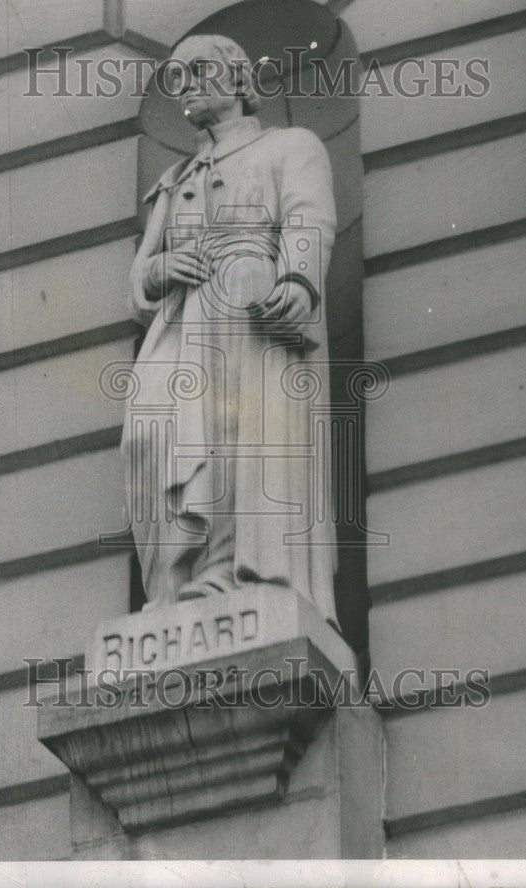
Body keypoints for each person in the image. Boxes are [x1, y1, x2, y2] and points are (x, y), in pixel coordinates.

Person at [122, 33, 339, 627]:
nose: (185, 84)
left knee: (231, 434)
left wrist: (298, 280)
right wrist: (161, 268)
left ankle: (223, 570)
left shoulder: (289, 144)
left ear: (240, 80)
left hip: (247, 304)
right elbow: (141, 269)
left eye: (199, 70)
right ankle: (171, 585)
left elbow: (309, 217)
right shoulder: (173, 179)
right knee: (150, 432)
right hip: (180, 318)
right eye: (176, 77)